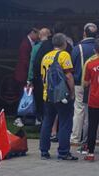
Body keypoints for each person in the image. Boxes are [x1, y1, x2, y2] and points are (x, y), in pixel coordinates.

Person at [39, 33, 77, 161]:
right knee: (65, 122)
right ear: (64, 43)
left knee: (47, 121)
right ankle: (63, 152)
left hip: (47, 95)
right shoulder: (64, 55)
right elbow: (68, 76)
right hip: (61, 95)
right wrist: (72, 92)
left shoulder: (46, 56)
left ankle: (44, 151)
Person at [70, 23, 97, 145]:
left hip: (80, 83)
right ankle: (94, 138)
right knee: (93, 113)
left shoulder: (78, 48)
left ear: (84, 33)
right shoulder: (95, 47)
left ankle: (76, 138)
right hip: (95, 84)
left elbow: (71, 65)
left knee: (79, 110)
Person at [13, 28, 39, 127]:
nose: (38, 37)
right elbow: (25, 61)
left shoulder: (31, 43)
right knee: (22, 96)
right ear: (32, 33)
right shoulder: (25, 44)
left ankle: (30, 117)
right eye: (37, 34)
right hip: (22, 75)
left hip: (26, 75)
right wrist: (32, 71)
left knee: (28, 96)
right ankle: (18, 117)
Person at [27, 28, 51, 125]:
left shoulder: (36, 48)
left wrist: (29, 79)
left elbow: (32, 63)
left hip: (39, 78)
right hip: (51, 79)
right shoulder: (52, 46)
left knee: (39, 100)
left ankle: (40, 119)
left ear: (40, 36)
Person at [82, 38, 99, 161]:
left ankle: (91, 153)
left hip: (94, 99)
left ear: (94, 49)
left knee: (92, 126)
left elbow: (85, 83)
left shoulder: (90, 62)